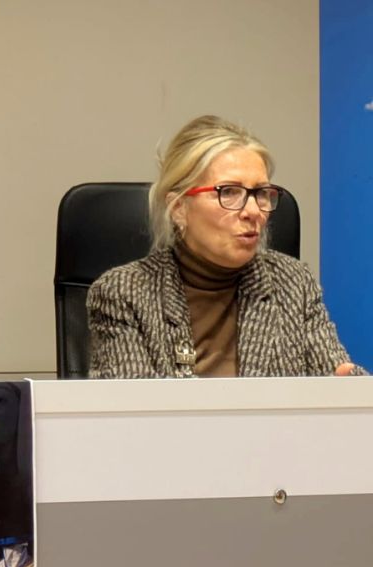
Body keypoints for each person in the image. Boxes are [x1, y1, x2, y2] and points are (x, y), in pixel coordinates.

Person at [87, 115, 360, 379]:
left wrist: (353, 388)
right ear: (179, 208)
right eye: (228, 192)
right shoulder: (124, 293)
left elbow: (337, 376)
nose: (253, 211)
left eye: (261, 193)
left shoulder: (292, 283)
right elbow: (134, 406)